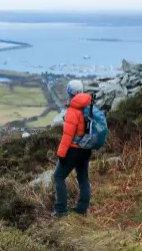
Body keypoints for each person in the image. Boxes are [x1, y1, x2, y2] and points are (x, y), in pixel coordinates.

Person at [52, 79, 92, 218]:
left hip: (73, 150)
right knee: (83, 178)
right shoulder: (87, 105)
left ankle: (61, 210)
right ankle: (82, 210)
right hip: (86, 149)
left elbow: (68, 136)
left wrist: (61, 154)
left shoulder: (72, 111)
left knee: (58, 176)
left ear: (69, 93)